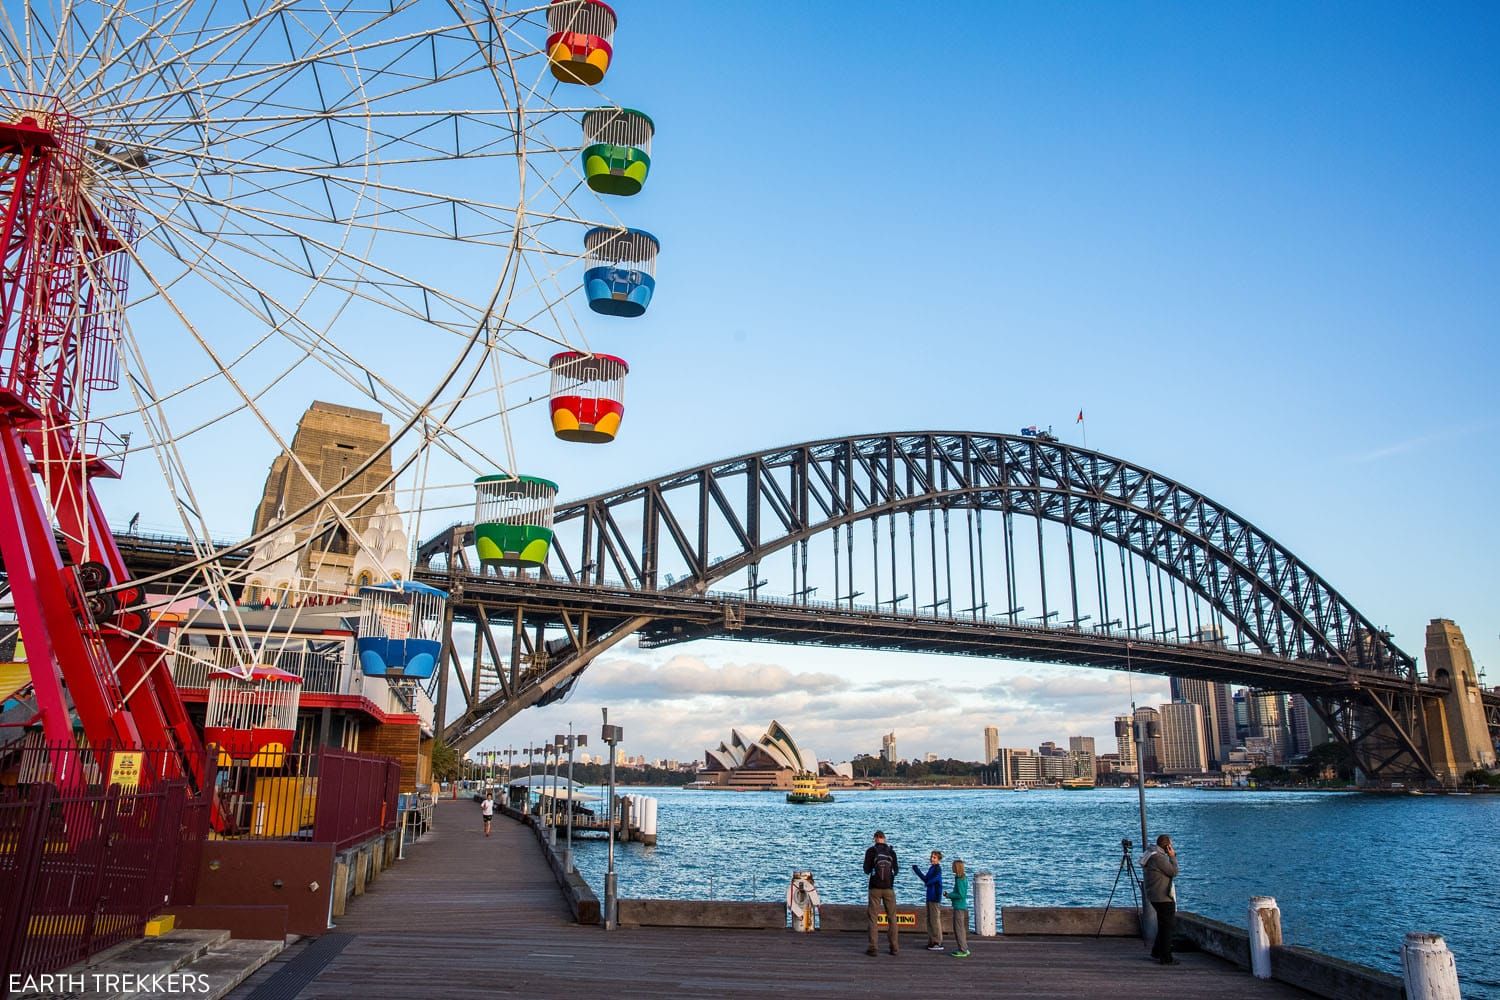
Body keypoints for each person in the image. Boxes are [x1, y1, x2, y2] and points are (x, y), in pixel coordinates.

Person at [1143, 833, 1179, 965]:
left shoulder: (1151, 854)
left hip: (1155, 895)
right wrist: (1173, 857)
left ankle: (1157, 951)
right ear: (1167, 846)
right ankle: (1166, 957)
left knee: (1163, 925)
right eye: (1171, 845)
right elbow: (1173, 872)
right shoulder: (1159, 858)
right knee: (1168, 927)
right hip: (1163, 897)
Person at [863, 830, 899, 956]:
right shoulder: (891, 851)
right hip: (889, 889)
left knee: (873, 918)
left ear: (875, 839)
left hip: (874, 888)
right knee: (892, 918)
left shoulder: (871, 851)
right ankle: (894, 947)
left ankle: (873, 948)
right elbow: (897, 870)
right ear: (884, 838)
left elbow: (866, 870)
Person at [913, 850, 945, 951]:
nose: (932, 859)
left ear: (939, 859)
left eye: (934, 857)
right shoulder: (932, 868)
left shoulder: (938, 869)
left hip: (935, 897)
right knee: (929, 920)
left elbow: (936, 879)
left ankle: (937, 942)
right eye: (931, 857)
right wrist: (917, 870)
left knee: (935, 920)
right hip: (929, 897)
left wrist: (928, 883)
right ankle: (931, 940)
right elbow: (926, 879)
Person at [945, 859, 971, 958]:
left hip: (959, 906)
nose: (951, 867)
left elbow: (960, 894)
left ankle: (963, 949)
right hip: (960, 906)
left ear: (956, 867)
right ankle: (964, 947)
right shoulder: (961, 878)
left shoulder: (960, 880)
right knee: (960, 928)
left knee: (958, 929)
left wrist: (949, 895)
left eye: (953, 866)